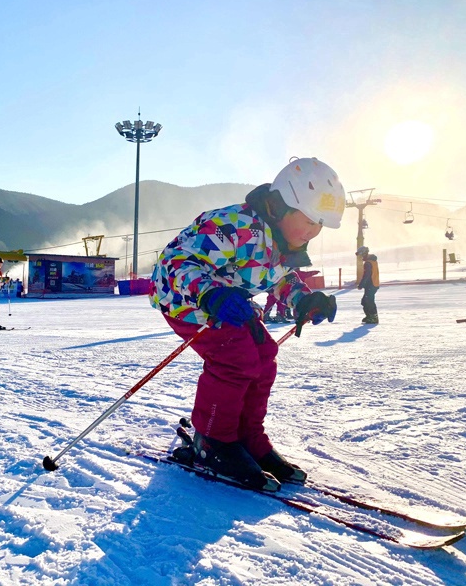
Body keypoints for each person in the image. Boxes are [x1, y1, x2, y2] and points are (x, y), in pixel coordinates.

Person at [150, 157, 343, 491]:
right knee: (234, 359)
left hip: (227, 301)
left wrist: (304, 300)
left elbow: (278, 279)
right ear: (281, 206)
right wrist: (209, 293)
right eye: (309, 219)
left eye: (320, 224)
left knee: (264, 356)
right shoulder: (234, 226)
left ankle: (247, 437)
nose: (313, 230)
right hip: (185, 299)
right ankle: (212, 441)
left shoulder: (283, 241)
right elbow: (177, 261)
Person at [356, 246, 380, 324]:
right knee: (365, 301)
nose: (360, 257)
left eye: (361, 255)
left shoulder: (368, 263)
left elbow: (367, 275)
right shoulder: (372, 261)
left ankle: (373, 317)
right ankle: (370, 316)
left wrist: (361, 285)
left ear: (364, 254)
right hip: (373, 283)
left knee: (368, 301)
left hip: (371, 284)